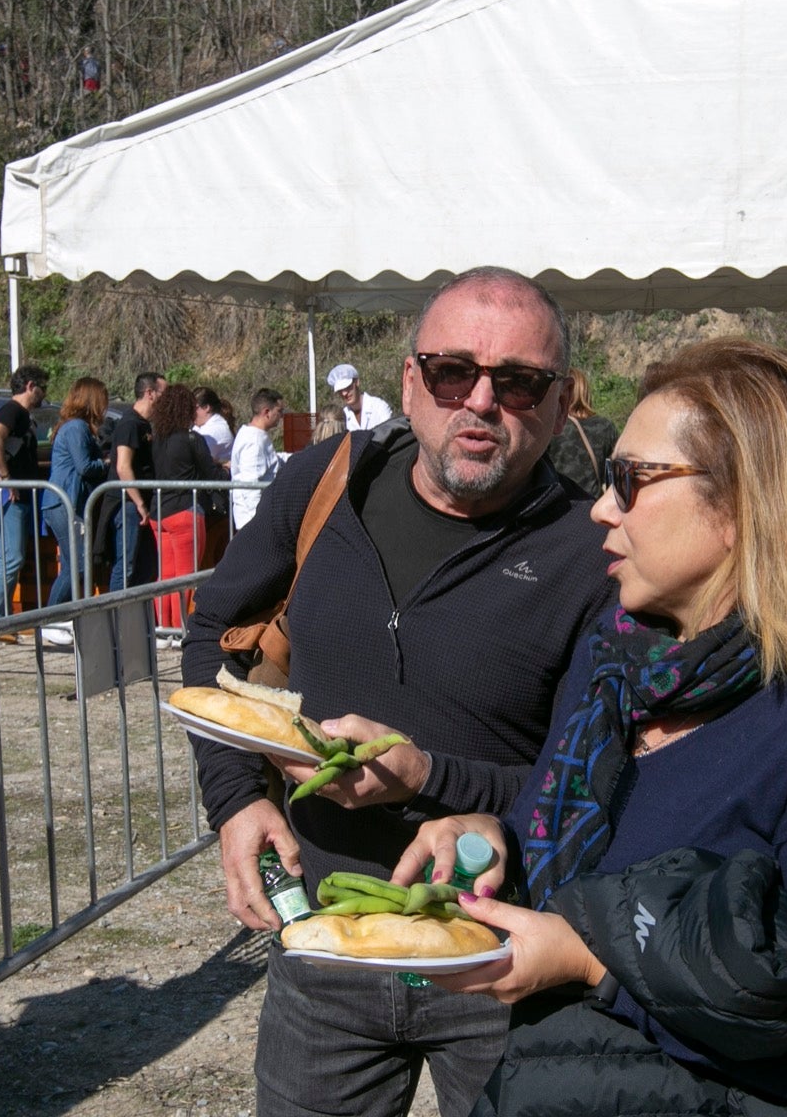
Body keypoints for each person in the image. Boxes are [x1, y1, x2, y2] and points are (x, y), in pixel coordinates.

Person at [388, 338, 787, 1116]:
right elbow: (559, 837)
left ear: (745, 503)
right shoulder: (615, 661)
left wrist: (597, 963)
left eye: (629, 481)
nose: (600, 508)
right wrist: (486, 836)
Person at [181, 266, 616, 1117]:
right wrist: (235, 800)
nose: (482, 402)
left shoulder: (594, 554)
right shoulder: (322, 485)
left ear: (563, 403)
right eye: (455, 372)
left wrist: (429, 778)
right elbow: (212, 643)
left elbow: (589, 785)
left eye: (520, 382)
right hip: (326, 943)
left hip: (503, 961)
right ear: (412, 382)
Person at [149, 383, 225, 630]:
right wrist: (229, 471)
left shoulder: (157, 439)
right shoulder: (192, 439)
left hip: (158, 511)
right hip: (184, 511)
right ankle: (182, 627)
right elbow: (211, 474)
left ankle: (165, 628)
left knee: (166, 577)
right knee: (187, 575)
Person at [0, 365, 50, 623]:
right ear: (31, 386)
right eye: (42, 388)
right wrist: (6, 477)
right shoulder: (13, 411)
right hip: (10, 496)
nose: (44, 394)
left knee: (11, 558)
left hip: (16, 495)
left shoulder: (19, 413)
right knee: (12, 558)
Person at [40, 378, 108, 615]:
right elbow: (85, 466)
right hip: (64, 502)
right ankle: (51, 618)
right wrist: (107, 463)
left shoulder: (73, 426)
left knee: (72, 564)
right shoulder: (77, 427)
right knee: (78, 564)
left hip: (66, 502)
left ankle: (57, 617)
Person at [109, 372, 164, 591]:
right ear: (150, 393)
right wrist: (139, 503)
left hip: (139, 505)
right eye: (163, 393)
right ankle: (113, 620)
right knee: (126, 567)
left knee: (146, 566)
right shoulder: (130, 424)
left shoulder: (143, 425)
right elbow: (123, 466)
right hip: (128, 505)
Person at [544, 367, 618, 495]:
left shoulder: (552, 427)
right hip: (592, 506)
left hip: (559, 503)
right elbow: (615, 474)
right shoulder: (605, 427)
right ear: (585, 392)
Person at [229, 388, 285, 531]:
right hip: (253, 522)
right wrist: (257, 522)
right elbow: (250, 484)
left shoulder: (255, 435)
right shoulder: (254, 441)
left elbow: (270, 461)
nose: (281, 416)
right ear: (266, 412)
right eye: (279, 411)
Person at [327, 362, 394, 431]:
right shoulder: (342, 416)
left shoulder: (379, 407)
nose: (344, 393)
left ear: (357, 382)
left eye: (347, 387)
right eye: (340, 390)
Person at [191, 386, 237, 467]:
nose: (191, 412)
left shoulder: (214, 430)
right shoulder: (202, 426)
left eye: (195, 408)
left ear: (206, 407)